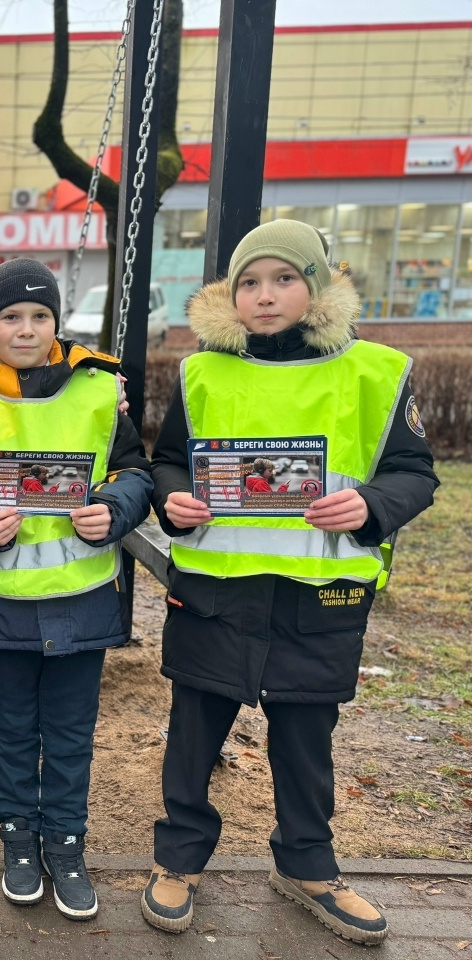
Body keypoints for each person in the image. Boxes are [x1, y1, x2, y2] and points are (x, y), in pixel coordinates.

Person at [140, 220, 439, 945]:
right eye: (249, 282)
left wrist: (370, 505)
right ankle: (177, 860)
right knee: (194, 732)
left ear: (318, 285)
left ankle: (308, 865)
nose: (265, 296)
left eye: (283, 279)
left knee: (306, 736)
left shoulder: (376, 370)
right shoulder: (200, 371)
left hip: (319, 592)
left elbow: (414, 475)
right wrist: (172, 500)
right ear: (230, 295)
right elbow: (171, 461)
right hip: (218, 586)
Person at [0, 259, 152, 919]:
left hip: (85, 597)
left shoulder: (99, 387)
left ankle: (65, 842)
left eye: (39, 316)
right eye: (10, 317)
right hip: (6, 599)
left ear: (56, 322)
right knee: (12, 726)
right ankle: (18, 841)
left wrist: (113, 507)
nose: (25, 329)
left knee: (70, 730)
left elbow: (136, 470)